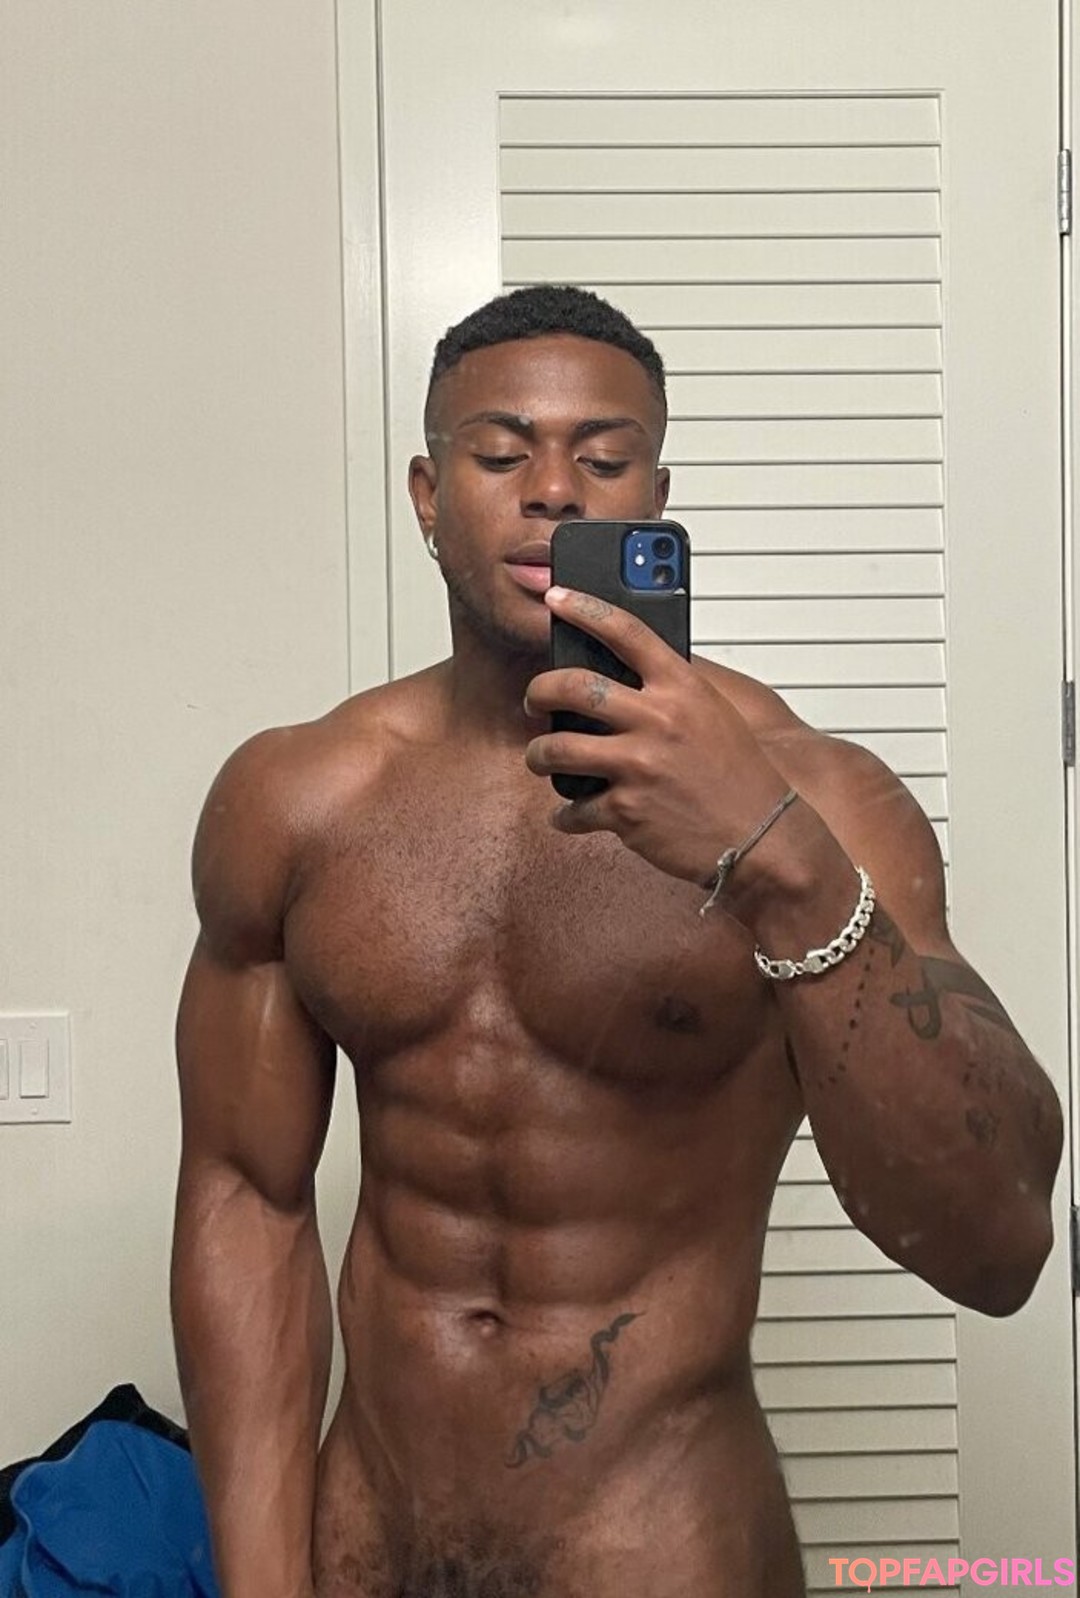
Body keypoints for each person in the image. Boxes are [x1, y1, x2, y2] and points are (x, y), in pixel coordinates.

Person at [171, 285, 1063, 1598]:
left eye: (602, 458)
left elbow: (1000, 1241)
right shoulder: (299, 800)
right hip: (368, 1542)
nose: (552, 490)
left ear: (657, 497)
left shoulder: (816, 794)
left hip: (663, 1544)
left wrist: (779, 861)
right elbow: (248, 1197)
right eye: (500, 453)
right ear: (427, 495)